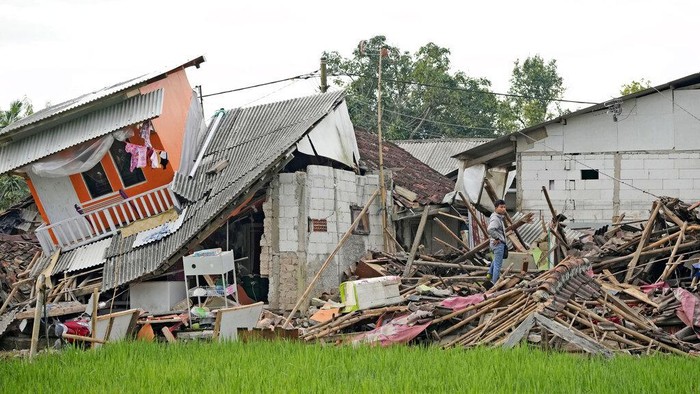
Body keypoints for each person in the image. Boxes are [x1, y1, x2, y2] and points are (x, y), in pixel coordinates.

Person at [487, 199, 508, 283]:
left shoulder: (498, 217)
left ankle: (489, 274)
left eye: (504, 207)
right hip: (498, 244)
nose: (503, 209)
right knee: (497, 265)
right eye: (501, 207)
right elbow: (490, 229)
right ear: (496, 208)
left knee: (496, 260)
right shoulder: (496, 218)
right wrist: (497, 238)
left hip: (496, 244)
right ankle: (494, 283)